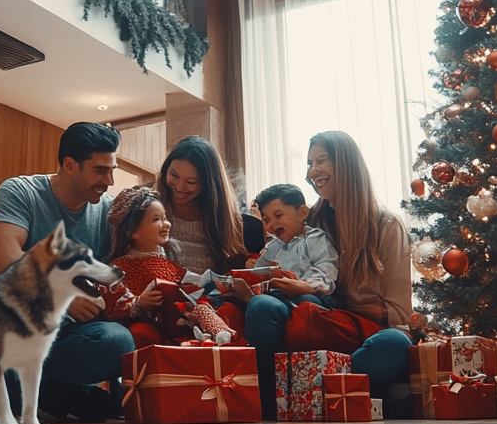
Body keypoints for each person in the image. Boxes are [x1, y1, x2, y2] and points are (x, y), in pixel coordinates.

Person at [0, 122, 135, 424]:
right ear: (70, 165)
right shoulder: (21, 191)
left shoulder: (108, 212)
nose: (108, 180)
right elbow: (4, 261)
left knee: (117, 342)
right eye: (99, 170)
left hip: (63, 336)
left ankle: (7, 396)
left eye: (112, 170)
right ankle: (59, 397)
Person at [243, 131, 414, 419]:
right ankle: (272, 405)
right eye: (310, 163)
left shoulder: (386, 226)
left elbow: (398, 313)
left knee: (394, 345)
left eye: (321, 160)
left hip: (354, 331)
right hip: (307, 317)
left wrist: (332, 298)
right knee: (262, 306)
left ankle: (306, 393)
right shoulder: (307, 222)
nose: (312, 171)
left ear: (346, 164)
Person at [99, 185, 236, 348]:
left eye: (165, 217)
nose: (166, 224)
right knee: (140, 332)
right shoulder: (120, 266)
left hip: (180, 320)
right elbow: (112, 302)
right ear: (133, 231)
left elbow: (196, 283)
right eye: (156, 219)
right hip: (152, 325)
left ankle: (219, 336)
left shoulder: (169, 265)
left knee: (220, 309)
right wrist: (138, 303)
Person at [156, 136, 263, 331]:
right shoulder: (151, 208)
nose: (179, 187)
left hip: (212, 302)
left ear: (209, 184)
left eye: (191, 182)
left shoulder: (228, 221)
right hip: (161, 300)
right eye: (173, 175)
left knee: (228, 316)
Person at [253, 183, 339, 307]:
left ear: (302, 213)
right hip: (276, 297)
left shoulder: (316, 239)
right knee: (260, 301)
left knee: (307, 300)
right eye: (266, 220)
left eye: (278, 216)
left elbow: (326, 270)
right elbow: (257, 273)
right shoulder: (272, 247)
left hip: (309, 295)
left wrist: (307, 286)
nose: (270, 225)